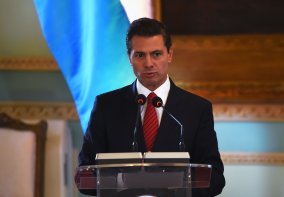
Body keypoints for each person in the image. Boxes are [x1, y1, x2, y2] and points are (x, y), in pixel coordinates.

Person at [78, 17, 225, 196]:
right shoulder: (106, 106)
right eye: (140, 55)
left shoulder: (197, 108)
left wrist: (173, 184)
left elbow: (216, 179)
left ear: (169, 54)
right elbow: (84, 177)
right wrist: (125, 181)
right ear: (129, 57)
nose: (148, 63)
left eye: (156, 54)